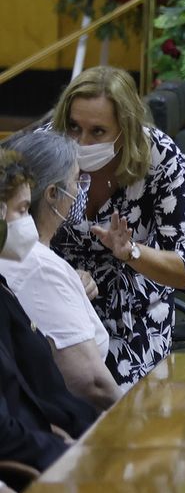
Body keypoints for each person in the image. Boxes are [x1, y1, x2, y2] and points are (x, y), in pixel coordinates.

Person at [48, 67, 185, 385]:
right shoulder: (47, 153)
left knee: (116, 402)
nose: (81, 141)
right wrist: (61, 274)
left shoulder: (160, 158)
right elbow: (17, 238)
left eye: (98, 132)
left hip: (135, 311)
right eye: (74, 127)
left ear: (126, 129)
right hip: (59, 302)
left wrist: (131, 252)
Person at [2, 131, 121, 408]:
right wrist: (136, 420)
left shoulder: (23, 251)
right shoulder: (39, 266)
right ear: (53, 194)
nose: (81, 191)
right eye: (76, 180)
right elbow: (92, 383)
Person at [0, 185, 98, 473]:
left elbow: (22, 392)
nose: (24, 221)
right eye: (20, 210)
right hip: (37, 467)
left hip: (57, 437)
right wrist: (64, 452)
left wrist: (54, 432)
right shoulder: (35, 268)